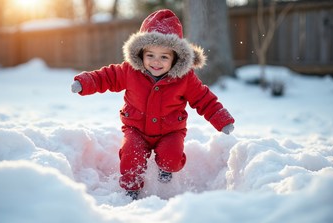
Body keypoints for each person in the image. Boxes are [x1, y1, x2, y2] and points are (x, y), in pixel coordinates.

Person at [71, 9, 235, 200]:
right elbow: (106, 77)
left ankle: (166, 169)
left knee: (171, 157)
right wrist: (84, 82)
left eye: (164, 57)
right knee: (131, 156)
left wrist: (222, 120)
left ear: (175, 57)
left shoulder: (185, 78)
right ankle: (131, 188)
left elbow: (204, 99)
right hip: (136, 129)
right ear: (141, 53)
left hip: (170, 131)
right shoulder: (130, 71)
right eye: (150, 55)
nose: (156, 62)